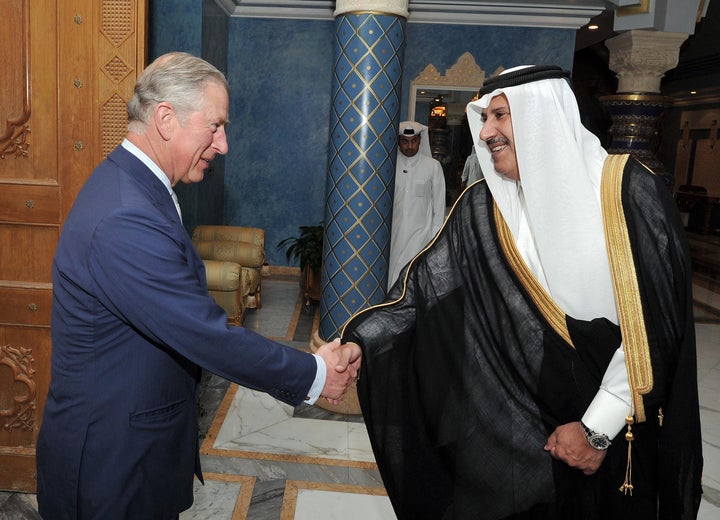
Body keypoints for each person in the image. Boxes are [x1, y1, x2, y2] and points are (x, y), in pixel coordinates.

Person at [341, 65, 702, 519]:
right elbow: (419, 291)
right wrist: (358, 342)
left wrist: (596, 429)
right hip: (518, 418)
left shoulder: (628, 191)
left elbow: (656, 326)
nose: (486, 131)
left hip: (615, 425)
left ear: (542, 116)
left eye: (500, 116)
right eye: (484, 118)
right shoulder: (483, 205)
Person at [36, 52, 361, 519]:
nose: (224, 144)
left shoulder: (140, 189)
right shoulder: (126, 214)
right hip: (112, 467)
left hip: (138, 452)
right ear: (166, 119)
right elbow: (204, 332)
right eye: (215, 126)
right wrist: (315, 374)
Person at [387, 120, 446, 289]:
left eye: (413, 141)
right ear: (399, 141)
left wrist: (434, 240)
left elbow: (439, 205)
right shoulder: (391, 166)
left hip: (421, 236)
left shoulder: (433, 167)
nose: (409, 146)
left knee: (412, 279)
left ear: (420, 140)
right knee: (392, 276)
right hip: (394, 235)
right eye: (405, 141)